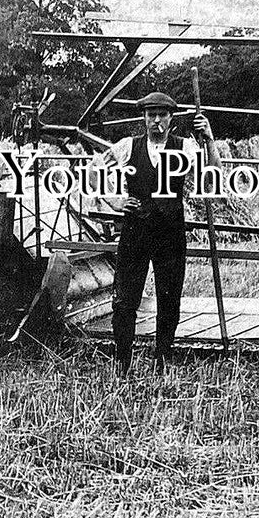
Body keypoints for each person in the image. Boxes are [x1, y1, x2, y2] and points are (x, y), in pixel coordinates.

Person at [95, 92, 219, 373]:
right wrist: (115, 201)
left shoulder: (185, 148)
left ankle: (162, 362)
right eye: (151, 116)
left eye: (162, 115)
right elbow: (94, 170)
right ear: (144, 118)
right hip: (135, 232)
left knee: (169, 299)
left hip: (170, 233)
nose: (157, 121)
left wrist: (209, 139)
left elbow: (212, 177)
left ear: (171, 118)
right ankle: (122, 364)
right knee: (125, 301)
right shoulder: (128, 147)